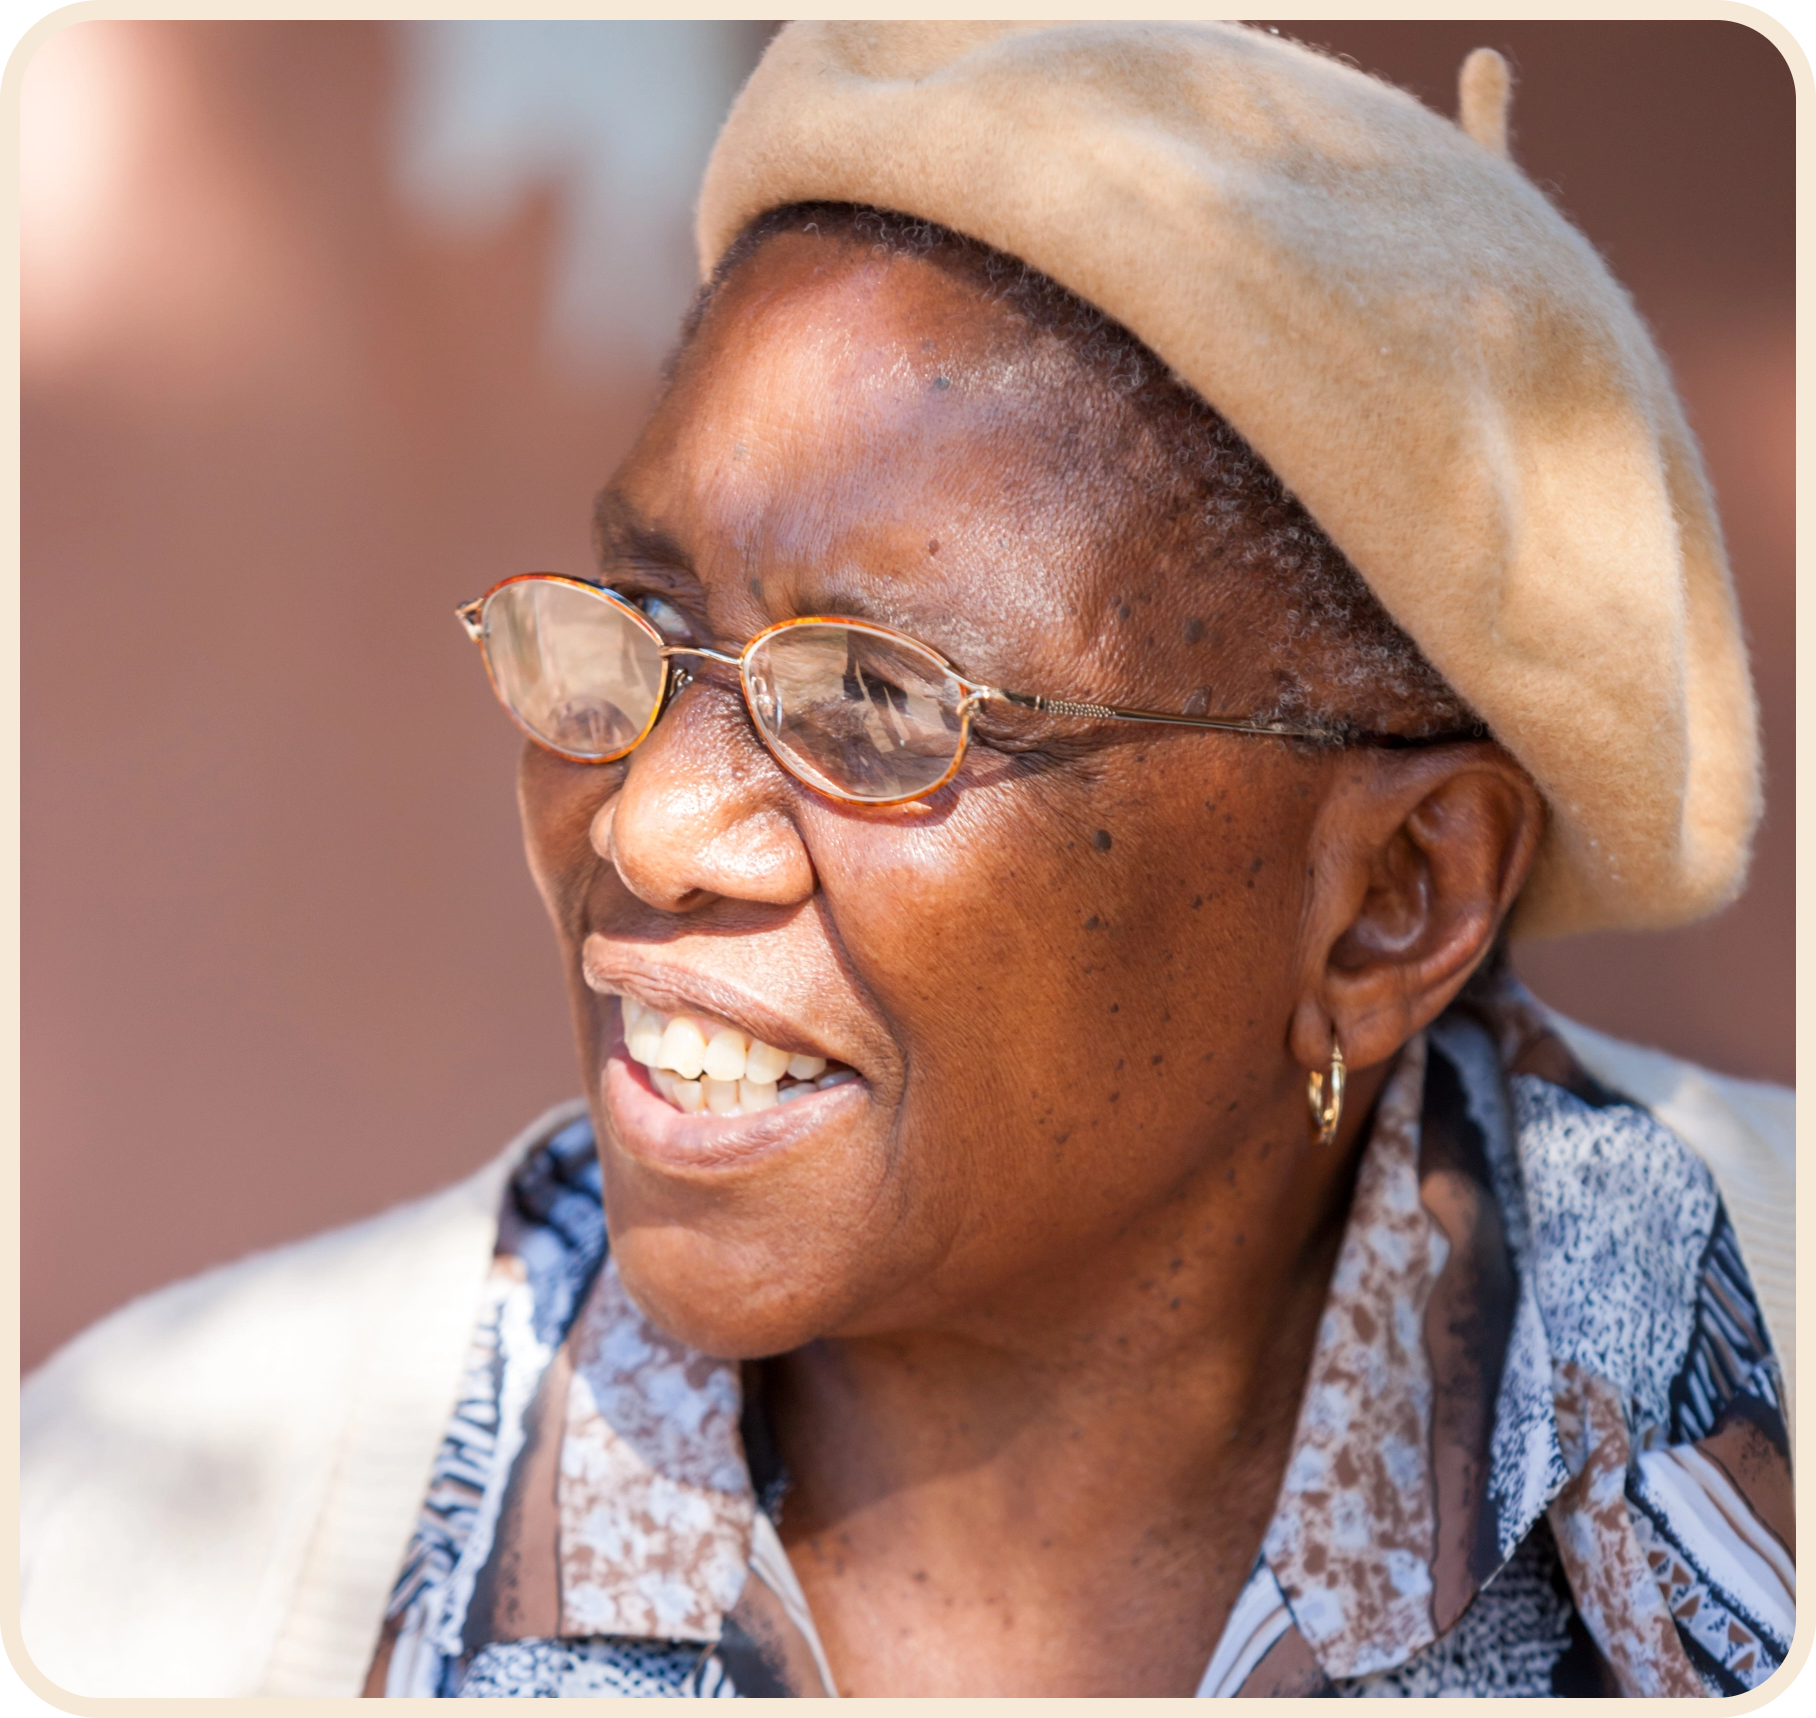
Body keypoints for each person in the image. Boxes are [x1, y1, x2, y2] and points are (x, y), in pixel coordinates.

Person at [20, 21, 1794, 1700]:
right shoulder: (133, 1565)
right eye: (643, 620)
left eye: (877, 697)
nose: (645, 821)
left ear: (1392, 900)